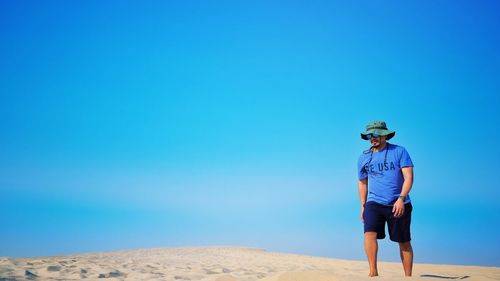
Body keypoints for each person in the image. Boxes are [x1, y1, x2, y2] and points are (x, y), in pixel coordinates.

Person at [357, 121, 414, 277]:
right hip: (374, 202)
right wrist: (363, 205)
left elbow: (409, 177)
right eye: (369, 135)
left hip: (398, 202)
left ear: (384, 135)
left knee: (404, 241)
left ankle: (408, 277)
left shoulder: (399, 151)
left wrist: (401, 199)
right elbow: (362, 183)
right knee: (369, 233)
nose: (372, 138)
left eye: (375, 134)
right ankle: (373, 273)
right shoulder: (363, 157)